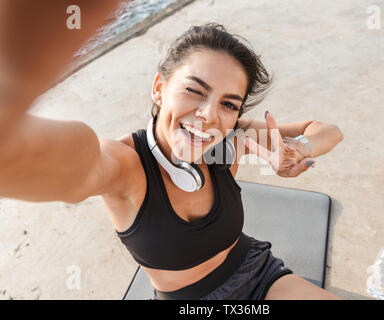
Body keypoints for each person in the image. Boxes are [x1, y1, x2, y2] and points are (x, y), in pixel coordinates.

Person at [0, 6, 343, 299]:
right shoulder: (123, 165)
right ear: (159, 89)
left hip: (259, 276)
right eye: (195, 90)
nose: (209, 114)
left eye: (228, 104)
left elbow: (329, 131)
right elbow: (35, 157)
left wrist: (298, 150)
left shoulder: (230, 142)